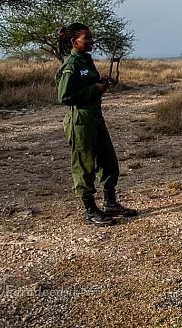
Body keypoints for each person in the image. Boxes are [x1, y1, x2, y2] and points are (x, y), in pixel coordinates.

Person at [55, 23, 137, 227]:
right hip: (80, 120)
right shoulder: (71, 65)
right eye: (87, 38)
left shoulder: (86, 61)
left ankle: (110, 203)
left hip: (95, 116)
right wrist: (94, 89)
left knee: (108, 161)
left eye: (91, 37)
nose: (91, 41)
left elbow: (88, 85)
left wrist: (101, 83)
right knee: (84, 166)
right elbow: (65, 97)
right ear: (75, 42)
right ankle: (90, 210)